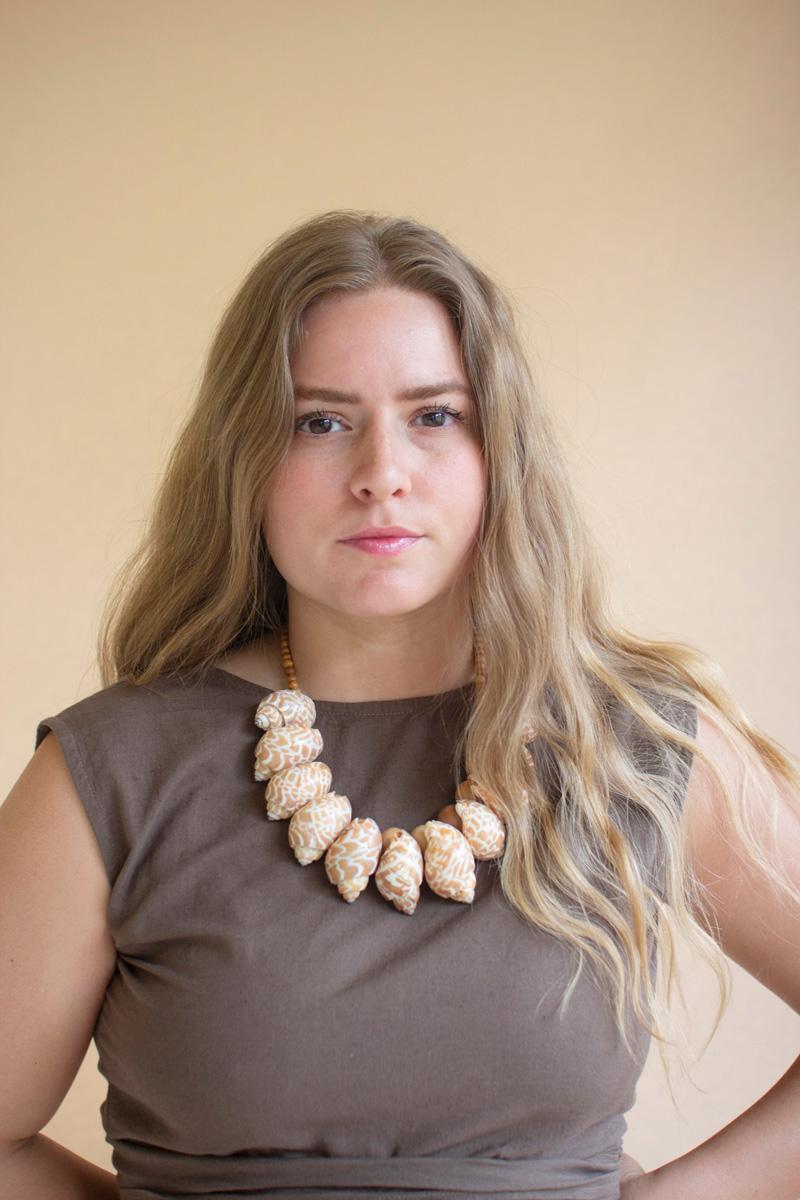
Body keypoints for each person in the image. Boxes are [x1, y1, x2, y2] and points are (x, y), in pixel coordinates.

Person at [1, 210, 798, 1200]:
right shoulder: (106, 775)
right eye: (320, 422)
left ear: (499, 450)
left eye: (435, 416)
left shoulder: (634, 745)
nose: (381, 473)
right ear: (245, 460)